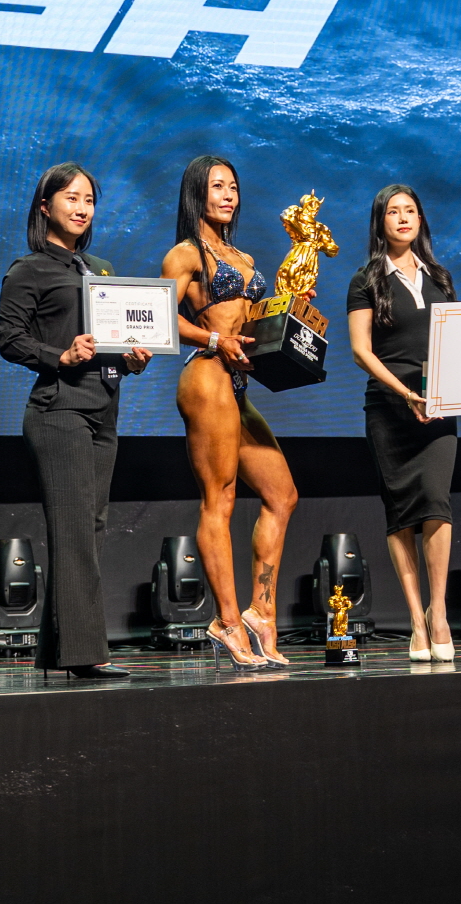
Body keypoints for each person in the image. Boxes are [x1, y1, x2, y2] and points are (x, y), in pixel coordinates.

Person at [0, 162, 152, 679]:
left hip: (103, 407)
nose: (82, 208)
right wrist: (59, 355)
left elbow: (116, 337)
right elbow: (9, 339)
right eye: (71, 198)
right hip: (58, 409)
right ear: (45, 208)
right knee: (75, 532)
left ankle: (60, 651)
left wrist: (131, 357)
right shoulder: (29, 269)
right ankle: (87, 654)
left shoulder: (101, 269)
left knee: (90, 529)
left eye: (89, 200)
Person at [160, 155, 299, 671]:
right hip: (206, 377)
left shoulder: (242, 256)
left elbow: (253, 320)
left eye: (233, 187)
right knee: (219, 499)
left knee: (282, 495)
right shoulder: (184, 254)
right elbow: (161, 319)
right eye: (217, 186)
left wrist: (290, 309)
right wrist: (215, 339)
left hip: (238, 387)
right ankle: (226, 620)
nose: (228, 195)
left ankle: (261, 610)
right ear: (197, 193)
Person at [346, 184, 457, 663]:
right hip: (389, 410)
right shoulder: (365, 280)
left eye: (410, 210)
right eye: (394, 211)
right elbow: (361, 351)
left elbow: (460, 341)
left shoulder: (440, 277)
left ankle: (439, 613)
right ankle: (415, 619)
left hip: (438, 407)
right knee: (401, 514)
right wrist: (405, 393)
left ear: (420, 219)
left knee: (436, 502)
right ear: (381, 222)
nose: (403, 218)